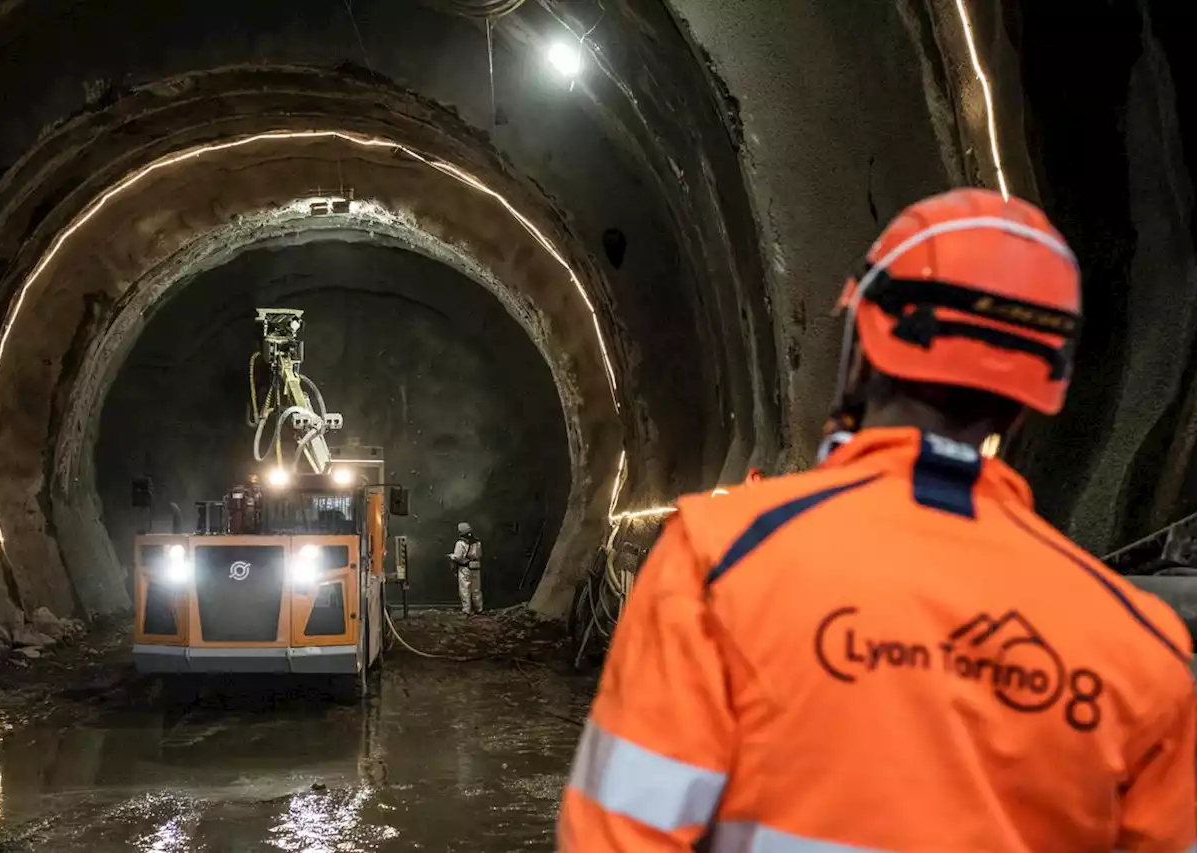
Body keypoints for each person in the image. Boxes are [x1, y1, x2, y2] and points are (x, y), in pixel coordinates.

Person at [558, 188, 1195, 852]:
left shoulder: (722, 559)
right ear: (1031, 400)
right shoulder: (1141, 647)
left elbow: (616, 833)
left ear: (863, 347)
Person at [450, 521, 484, 615]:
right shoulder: (477, 542)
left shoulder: (460, 543)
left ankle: (467, 610)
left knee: (465, 588)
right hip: (476, 567)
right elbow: (479, 554)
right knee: (476, 589)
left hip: (465, 568)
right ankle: (479, 608)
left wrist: (451, 556)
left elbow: (458, 557)